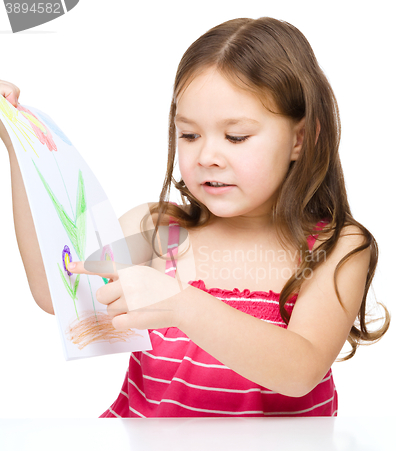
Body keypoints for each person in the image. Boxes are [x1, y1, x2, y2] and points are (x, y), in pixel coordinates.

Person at [0, 17, 389, 418]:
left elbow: (300, 370)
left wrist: (182, 305)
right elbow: (60, 291)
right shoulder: (160, 235)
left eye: (236, 137)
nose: (206, 157)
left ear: (300, 139)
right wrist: (15, 142)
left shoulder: (333, 247)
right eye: (189, 135)